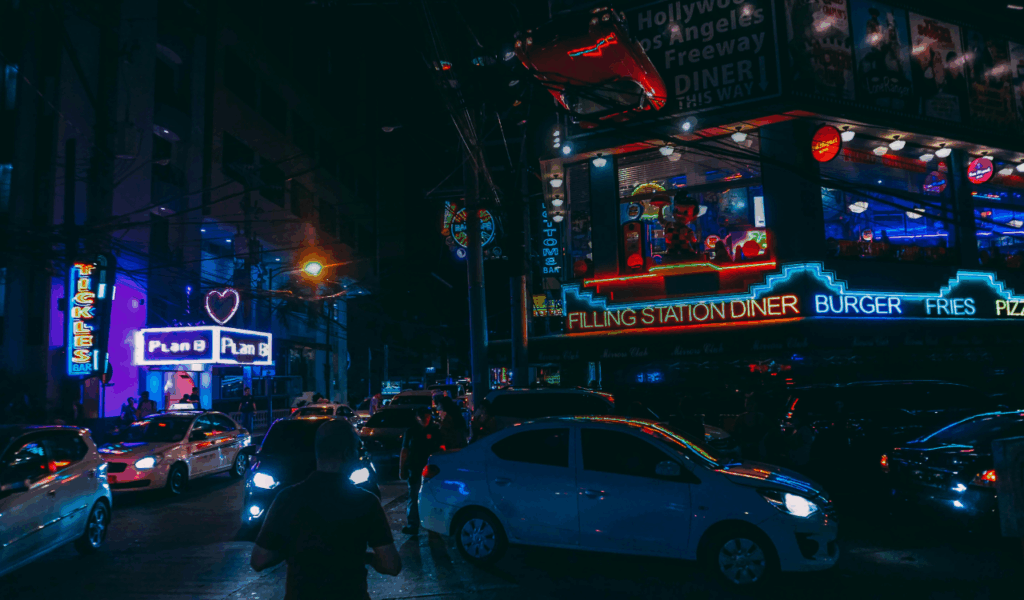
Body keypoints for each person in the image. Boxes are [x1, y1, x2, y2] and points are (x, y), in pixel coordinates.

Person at [251, 420, 401, 599]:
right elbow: (391, 565)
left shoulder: (287, 498)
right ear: (348, 454)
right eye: (356, 451)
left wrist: (297, 550)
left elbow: (259, 560)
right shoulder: (367, 502)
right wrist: (366, 557)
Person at [398, 406, 440, 535]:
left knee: (432, 497)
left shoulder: (435, 430)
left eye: (427, 417)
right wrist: (402, 469)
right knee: (414, 497)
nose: (425, 419)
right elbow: (404, 451)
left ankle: (433, 526)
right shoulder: (411, 432)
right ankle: (413, 525)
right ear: (417, 418)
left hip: (431, 470)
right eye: (423, 417)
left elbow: (441, 449)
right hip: (415, 469)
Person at [732, 393, 770, 460]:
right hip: (743, 449)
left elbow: (766, 432)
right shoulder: (740, 418)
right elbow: (735, 433)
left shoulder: (761, 417)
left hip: (758, 450)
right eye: (747, 403)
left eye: (750, 403)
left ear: (755, 404)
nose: (748, 406)